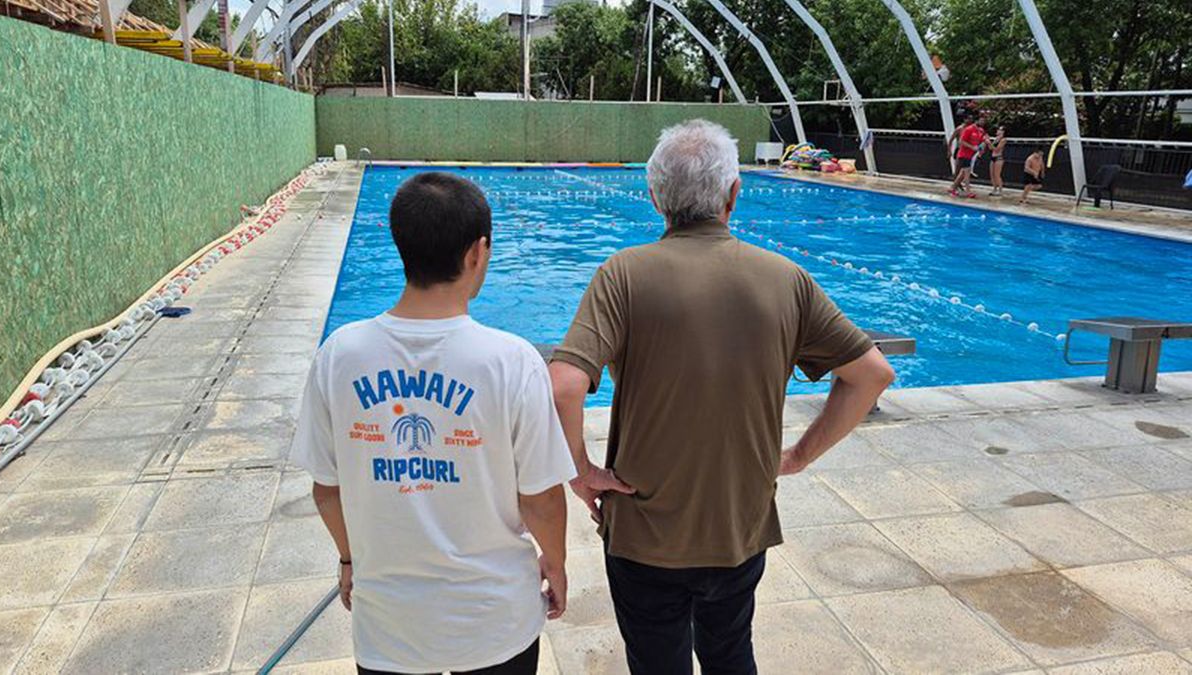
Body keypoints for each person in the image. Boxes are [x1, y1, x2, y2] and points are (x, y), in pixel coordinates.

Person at [548, 120, 896, 675]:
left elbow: (563, 384)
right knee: (730, 653)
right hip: (739, 526)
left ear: (655, 196)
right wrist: (798, 457)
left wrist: (581, 470)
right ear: (734, 193)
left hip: (643, 533)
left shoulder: (622, 275)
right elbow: (871, 375)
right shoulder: (786, 279)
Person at [291, 172, 577, 674]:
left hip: (389, 629)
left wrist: (349, 559)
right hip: (495, 622)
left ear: (401, 244)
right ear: (477, 253)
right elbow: (540, 498)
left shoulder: (339, 355)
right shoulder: (512, 361)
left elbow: (326, 490)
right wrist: (555, 562)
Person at [950, 111, 989, 198]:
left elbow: (983, 140)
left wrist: (984, 144)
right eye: (981, 121)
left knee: (962, 174)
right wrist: (972, 147)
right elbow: (961, 141)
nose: (983, 123)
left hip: (970, 155)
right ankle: (968, 192)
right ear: (977, 121)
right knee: (967, 173)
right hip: (963, 154)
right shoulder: (969, 129)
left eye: (984, 121)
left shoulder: (981, 131)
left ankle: (952, 188)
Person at [988, 126, 1008, 196]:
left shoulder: (1003, 140)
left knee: (997, 175)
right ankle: (994, 189)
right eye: (998, 129)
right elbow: (990, 148)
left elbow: (997, 149)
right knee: (992, 175)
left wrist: (989, 143)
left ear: (1003, 132)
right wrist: (988, 142)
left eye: (1000, 130)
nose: (998, 131)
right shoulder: (996, 139)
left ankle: (1000, 190)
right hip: (992, 157)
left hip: (998, 158)